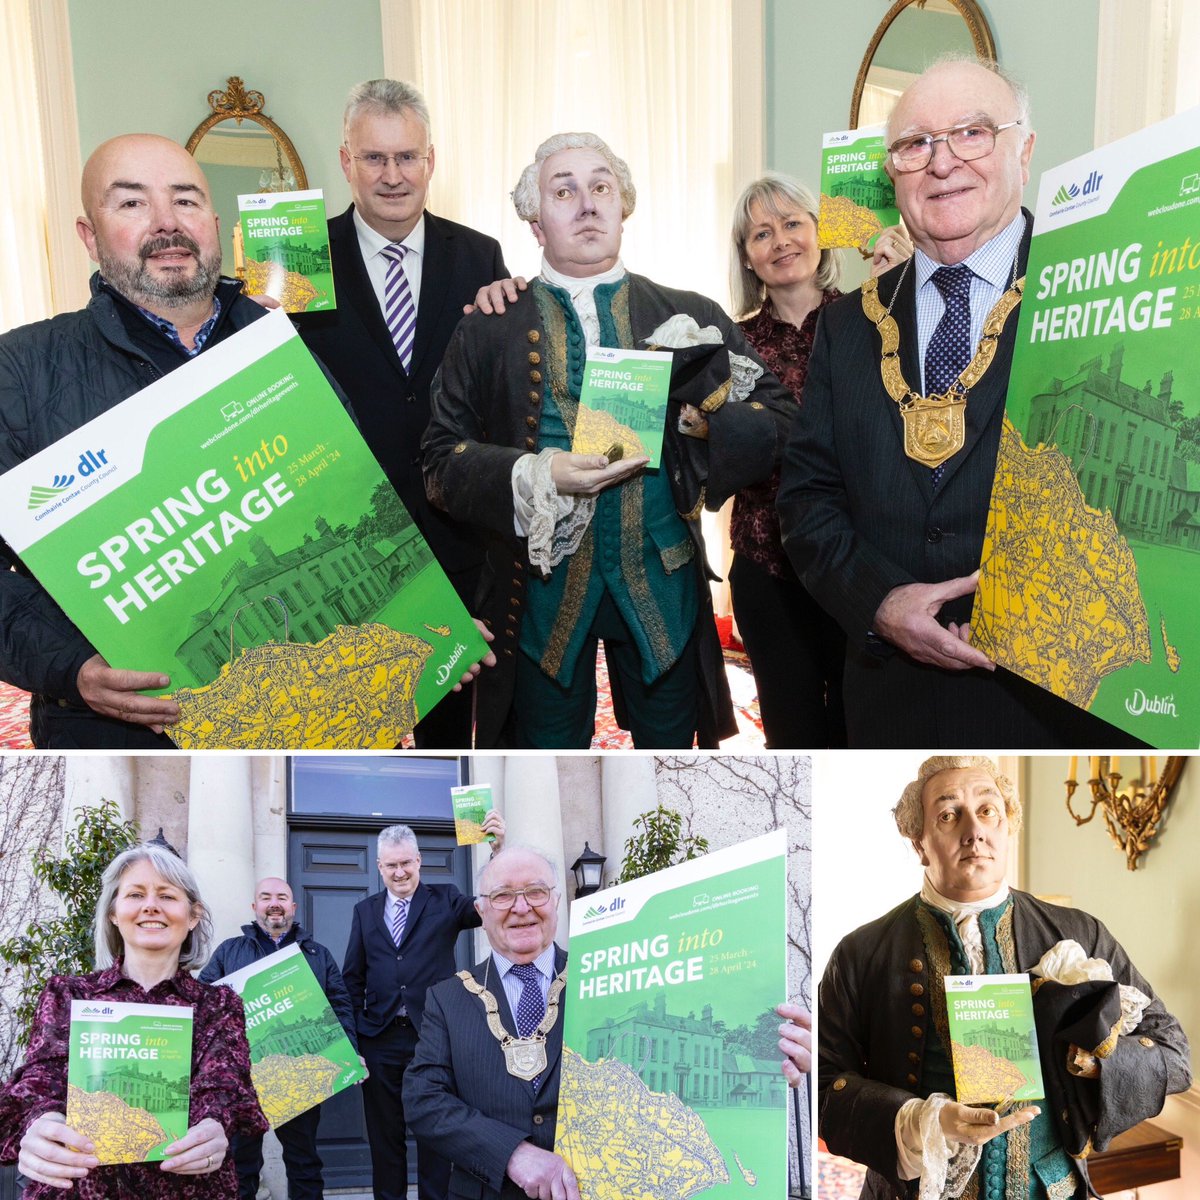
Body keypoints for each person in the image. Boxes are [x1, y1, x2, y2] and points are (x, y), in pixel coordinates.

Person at [776, 59, 1144, 747]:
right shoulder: (849, 325)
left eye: (973, 132)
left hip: (1060, 715)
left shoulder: (1104, 296)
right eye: (915, 143)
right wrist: (881, 603)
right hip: (891, 708)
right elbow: (805, 501)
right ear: (893, 172)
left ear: (1025, 151)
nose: (941, 162)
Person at [423, 131, 792, 749]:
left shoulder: (686, 311)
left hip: (661, 576)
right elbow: (439, 460)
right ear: (536, 223)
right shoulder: (489, 326)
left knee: (670, 756)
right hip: (539, 588)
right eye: (562, 191)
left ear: (622, 205)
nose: (586, 203)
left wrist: (699, 421)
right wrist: (537, 475)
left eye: (600, 187)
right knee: (545, 752)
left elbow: (778, 417)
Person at [0, 134, 289, 749]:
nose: (167, 223)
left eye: (185, 201)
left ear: (214, 222)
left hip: (291, 710)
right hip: (111, 730)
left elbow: (347, 482)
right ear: (89, 235)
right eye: (132, 204)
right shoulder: (20, 371)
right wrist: (70, 669)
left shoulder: (272, 344)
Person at [818, 756, 1191, 1199]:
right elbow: (819, 1087)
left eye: (988, 810)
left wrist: (1093, 1064)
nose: (973, 830)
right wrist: (924, 1121)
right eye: (948, 814)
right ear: (919, 842)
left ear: (1008, 823)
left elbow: (1174, 1053)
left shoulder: (1079, 931)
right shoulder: (861, 953)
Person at [294, 79, 507, 749]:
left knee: (445, 723)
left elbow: (494, 387)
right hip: (347, 542)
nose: (393, 176)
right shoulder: (295, 261)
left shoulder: (480, 256)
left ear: (431, 160)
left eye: (407, 157)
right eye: (375, 158)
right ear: (346, 160)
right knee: (353, 726)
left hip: (453, 535)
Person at [728, 175, 914, 747]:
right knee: (792, 732)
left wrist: (906, 291)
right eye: (762, 233)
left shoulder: (873, 318)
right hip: (768, 568)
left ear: (820, 236)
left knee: (865, 728)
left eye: (792, 224)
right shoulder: (726, 344)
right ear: (748, 259)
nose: (781, 241)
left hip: (856, 562)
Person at [0, 843, 267, 1199]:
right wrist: (39, 1123)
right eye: (136, 894)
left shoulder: (218, 1005)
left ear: (193, 915)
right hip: (80, 1188)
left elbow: (225, 1083)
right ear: (113, 912)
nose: (151, 905)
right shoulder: (69, 995)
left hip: (189, 1188)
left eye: (167, 896)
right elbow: (40, 1077)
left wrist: (213, 1124)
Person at [342, 815, 505, 1200]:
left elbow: (491, 906)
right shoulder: (364, 911)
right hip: (378, 1041)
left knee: (436, 1135)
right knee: (385, 1140)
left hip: (432, 1038)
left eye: (406, 863)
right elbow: (352, 979)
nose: (399, 872)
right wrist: (351, 1044)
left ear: (419, 861)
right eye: (391, 865)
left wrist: (496, 849)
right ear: (379, 866)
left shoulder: (446, 899)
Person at [403, 845, 573, 1200]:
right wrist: (511, 1152)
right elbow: (424, 1100)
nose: (522, 907)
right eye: (502, 895)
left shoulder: (601, 979)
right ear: (480, 910)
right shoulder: (448, 998)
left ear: (556, 901)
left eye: (536, 892)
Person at [199, 877, 359, 1200]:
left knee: (304, 1164)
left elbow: (340, 1006)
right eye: (266, 896)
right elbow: (203, 1003)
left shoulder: (318, 954)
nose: (275, 903)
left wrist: (350, 1052)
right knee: (241, 1166)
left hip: (298, 1076)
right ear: (254, 906)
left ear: (293, 907)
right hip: (243, 1081)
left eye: (282, 897)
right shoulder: (230, 951)